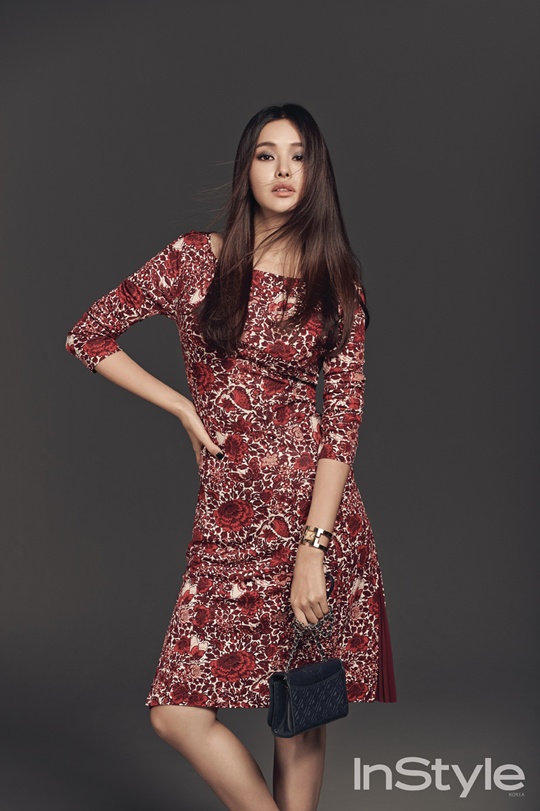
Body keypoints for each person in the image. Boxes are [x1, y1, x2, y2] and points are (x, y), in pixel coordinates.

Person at [66, 103, 397, 811]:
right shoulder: (195, 260)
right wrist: (182, 406)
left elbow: (342, 426)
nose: (283, 170)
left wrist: (314, 547)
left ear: (317, 173)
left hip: (313, 520)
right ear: (246, 169)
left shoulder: (336, 282)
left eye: (298, 156)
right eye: (267, 155)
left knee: (300, 703)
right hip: (228, 519)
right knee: (176, 713)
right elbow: (89, 335)